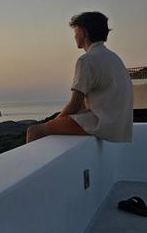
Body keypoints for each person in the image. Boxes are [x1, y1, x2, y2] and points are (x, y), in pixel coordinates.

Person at [26, 12, 133, 143]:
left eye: (75, 31)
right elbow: (85, 103)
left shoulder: (87, 60)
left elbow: (75, 103)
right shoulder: (114, 58)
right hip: (120, 127)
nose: (75, 36)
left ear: (83, 32)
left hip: (102, 126)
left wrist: (54, 122)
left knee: (34, 131)